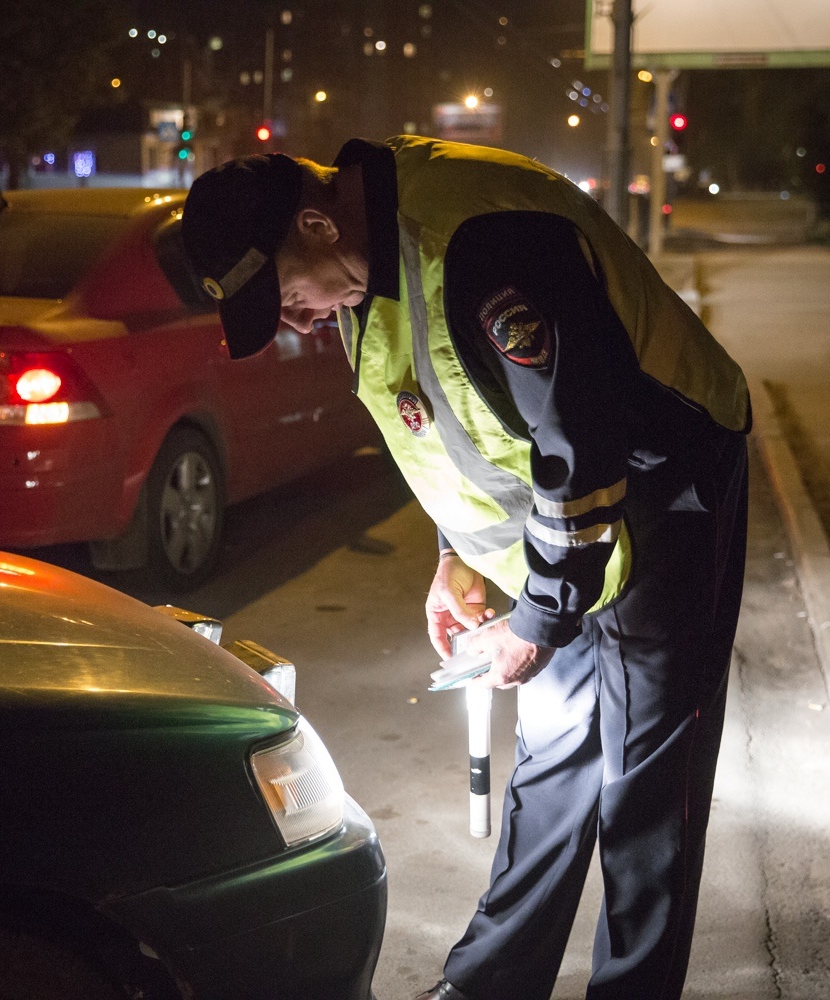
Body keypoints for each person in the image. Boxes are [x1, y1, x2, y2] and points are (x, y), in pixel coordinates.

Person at [180, 136, 751, 1000]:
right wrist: (459, 562)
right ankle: (490, 986)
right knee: (554, 759)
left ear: (315, 220)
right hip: (561, 521)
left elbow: (580, 442)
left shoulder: (482, 245)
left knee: (645, 780)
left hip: (666, 483)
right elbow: (447, 432)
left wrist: (542, 617)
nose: (296, 319)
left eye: (287, 292)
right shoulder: (362, 276)